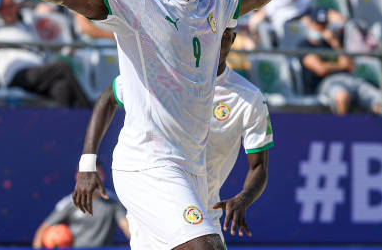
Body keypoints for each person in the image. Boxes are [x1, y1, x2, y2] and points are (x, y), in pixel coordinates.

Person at [0, 0, 327, 249]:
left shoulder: (215, 4)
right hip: (149, 166)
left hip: (193, 171)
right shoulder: (135, 2)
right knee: (205, 248)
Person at [76, 27, 271, 242]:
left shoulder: (249, 98)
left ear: (232, 39)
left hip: (206, 208)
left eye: (222, 33)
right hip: (155, 195)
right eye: (207, 31)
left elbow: (259, 166)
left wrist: (245, 197)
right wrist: (87, 164)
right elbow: (108, 97)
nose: (212, 39)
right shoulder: (163, 73)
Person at [0, 0, 91, 108]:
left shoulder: (26, 26)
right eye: (3, 7)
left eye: (10, 5)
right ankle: (90, 114)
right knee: (63, 68)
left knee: (61, 87)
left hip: (38, 71)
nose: (7, 10)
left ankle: (74, 127)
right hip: (17, 74)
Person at [300, 7, 382, 116]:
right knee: (342, 96)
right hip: (326, 83)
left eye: (324, 24)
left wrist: (334, 43)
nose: (321, 28)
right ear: (311, 23)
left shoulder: (333, 43)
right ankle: (344, 131)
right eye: (317, 24)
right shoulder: (305, 45)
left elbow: (350, 66)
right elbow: (321, 69)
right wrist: (340, 65)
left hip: (350, 80)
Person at [33, 163, 130, 248]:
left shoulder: (113, 202)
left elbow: (127, 228)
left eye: (97, 175)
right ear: (78, 177)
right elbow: (43, 230)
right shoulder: (69, 203)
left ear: (103, 176)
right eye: (89, 176)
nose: (93, 180)